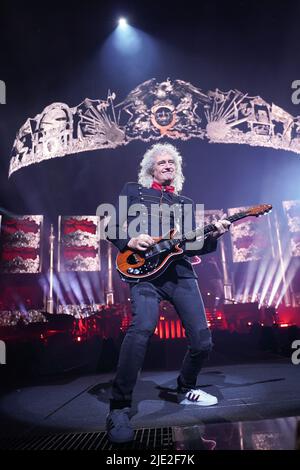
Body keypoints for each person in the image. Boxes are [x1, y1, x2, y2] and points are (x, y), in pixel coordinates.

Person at [105, 143, 231, 443]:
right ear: (151, 168)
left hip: (180, 272)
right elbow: (110, 226)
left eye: (172, 162)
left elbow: (192, 244)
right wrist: (130, 241)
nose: (167, 165)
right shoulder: (133, 191)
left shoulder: (185, 203)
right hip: (144, 273)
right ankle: (119, 407)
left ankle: (186, 388)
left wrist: (213, 237)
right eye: (162, 162)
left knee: (202, 341)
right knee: (141, 329)